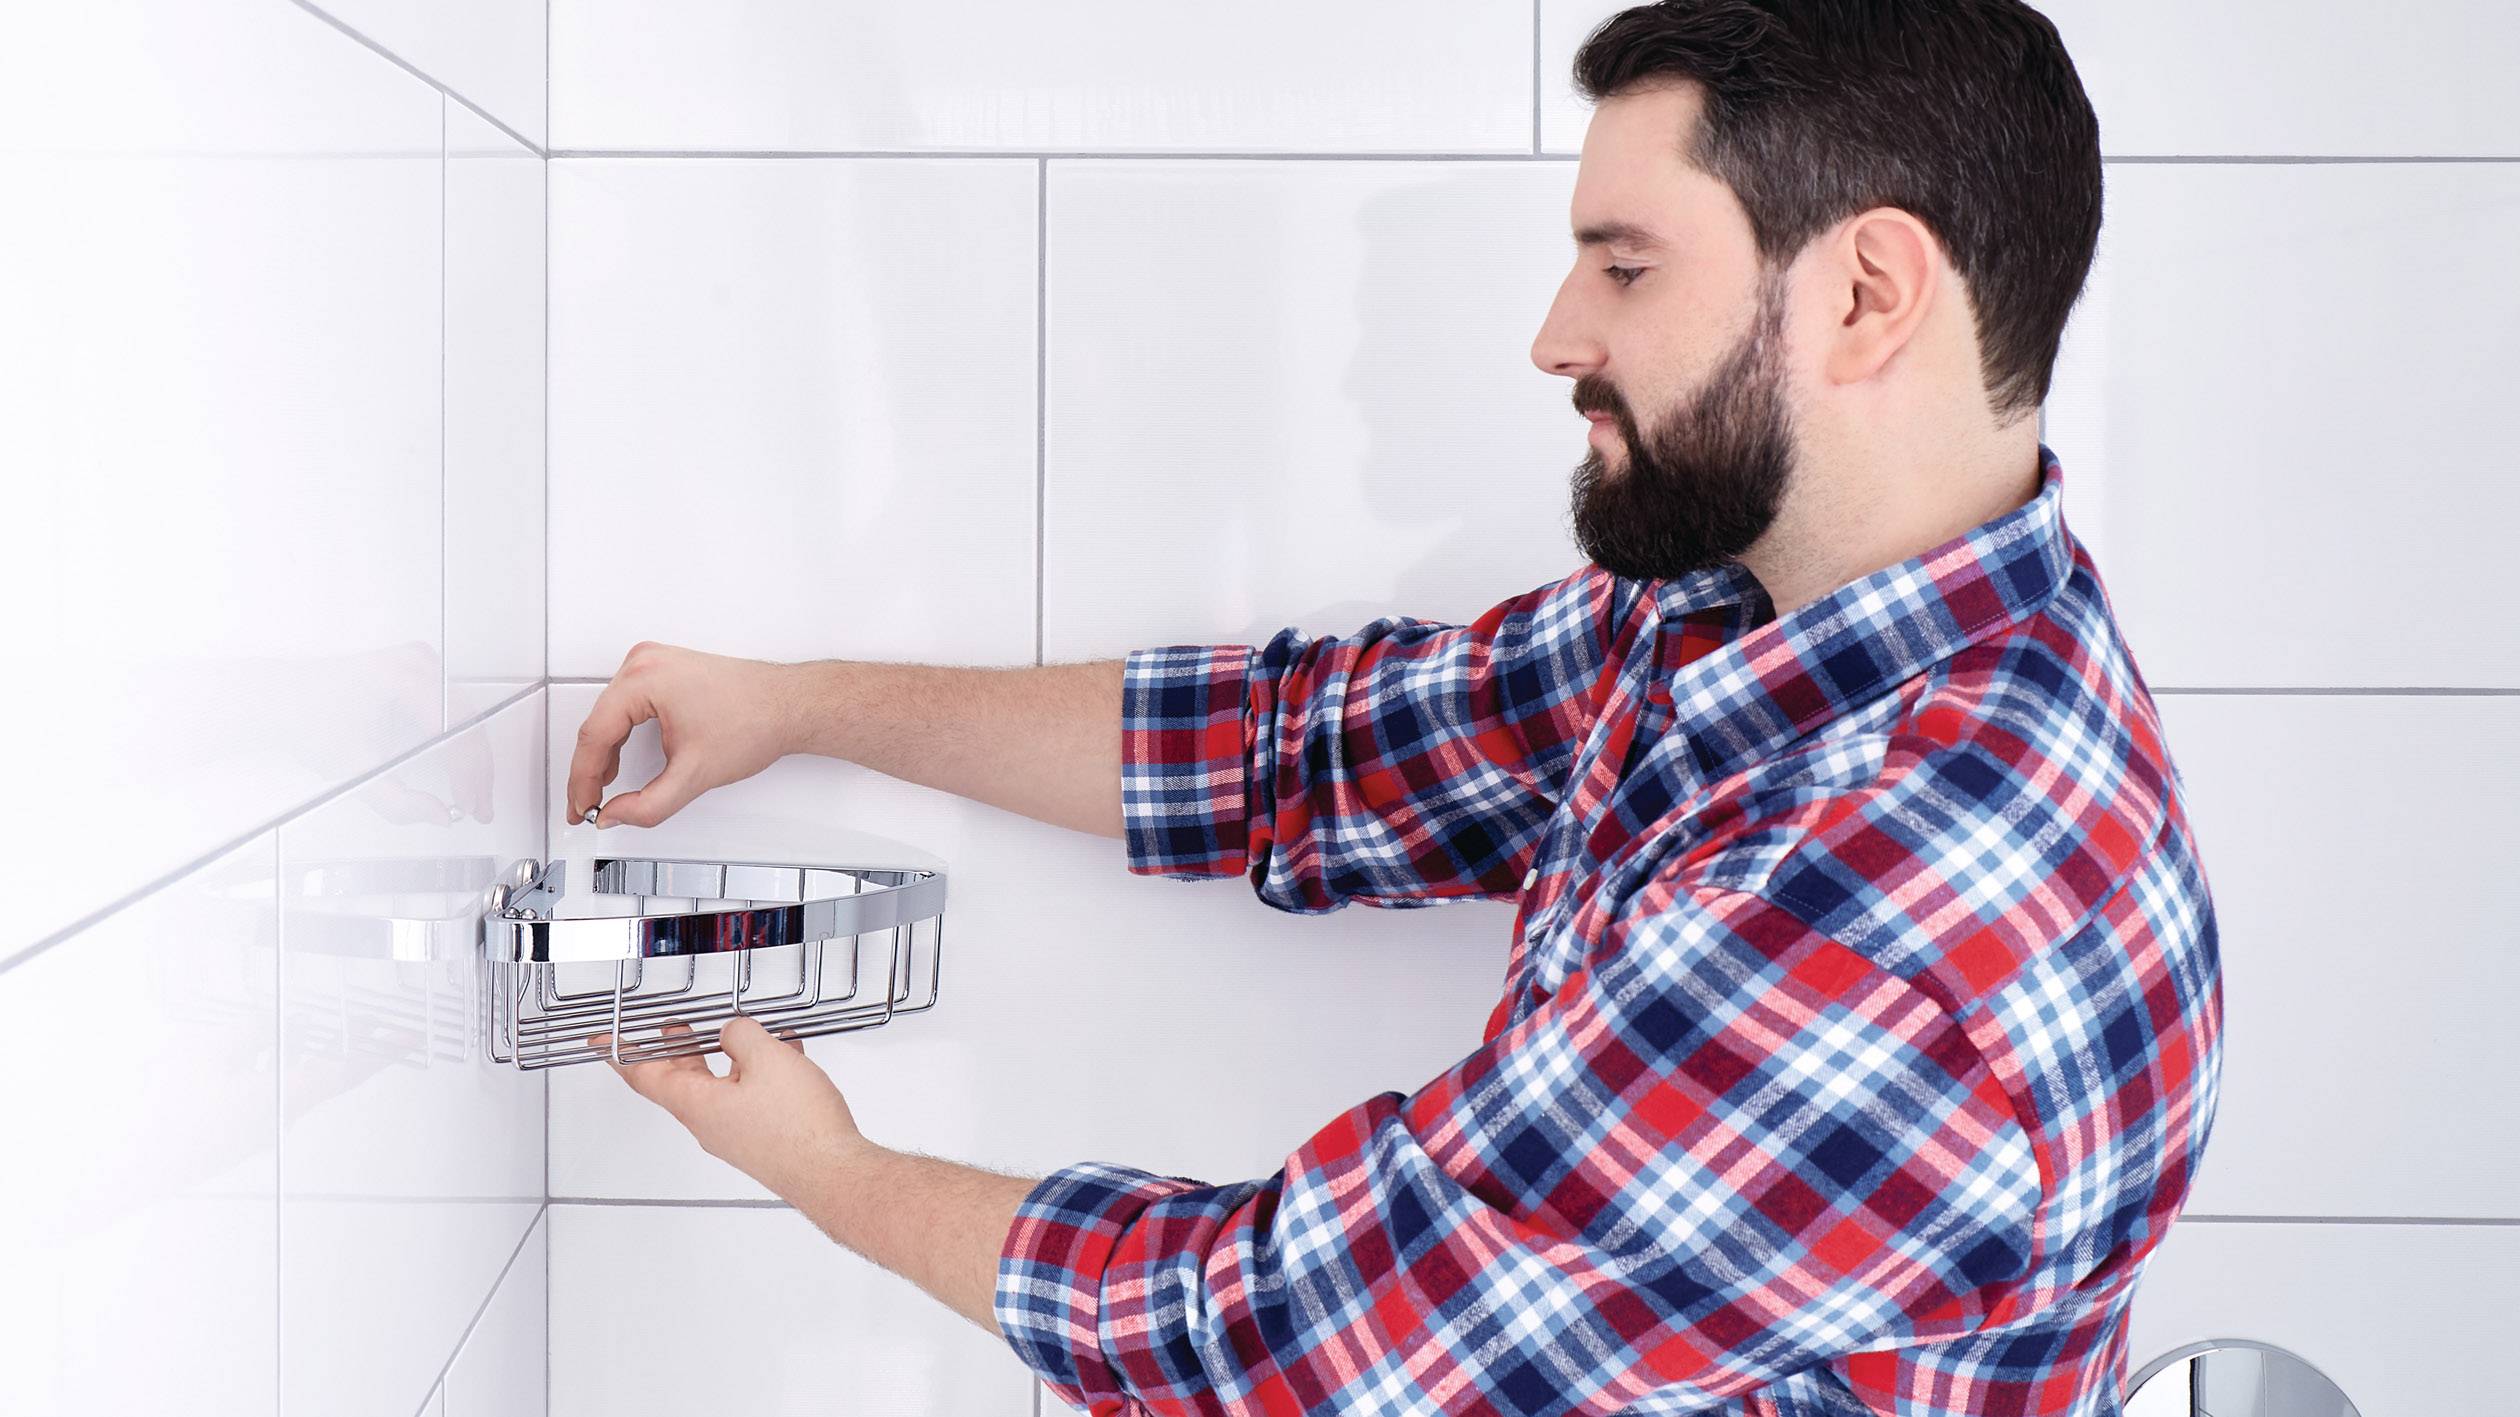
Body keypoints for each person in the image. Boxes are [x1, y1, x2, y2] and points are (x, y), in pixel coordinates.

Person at [565, 2, 2224, 1412]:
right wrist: (797, 704)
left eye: (1627, 267)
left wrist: (826, 1170)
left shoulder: (1894, 920)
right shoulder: (1750, 624)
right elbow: (1300, 755)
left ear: (1865, 294)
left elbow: (1292, 1350)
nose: (1556, 335)